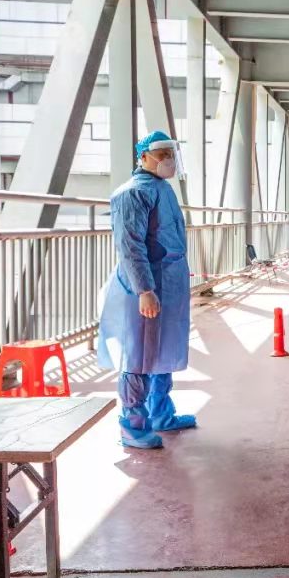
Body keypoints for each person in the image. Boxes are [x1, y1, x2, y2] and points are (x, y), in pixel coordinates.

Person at [98, 131, 198, 449]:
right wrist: (144, 289)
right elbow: (131, 247)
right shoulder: (132, 193)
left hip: (168, 283)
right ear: (143, 156)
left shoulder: (162, 189)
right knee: (140, 354)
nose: (169, 160)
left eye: (171, 153)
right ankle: (133, 425)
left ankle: (160, 415)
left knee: (162, 351)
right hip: (145, 286)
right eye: (162, 154)